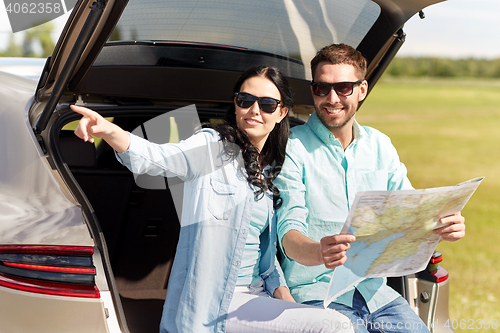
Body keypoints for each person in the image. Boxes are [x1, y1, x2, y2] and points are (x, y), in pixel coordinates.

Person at [71, 66, 354, 333]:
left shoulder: (269, 170)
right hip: (220, 303)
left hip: (260, 295)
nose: (254, 110)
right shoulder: (213, 146)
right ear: (235, 104)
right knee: (335, 326)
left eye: (266, 104)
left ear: (281, 113)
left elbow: (262, 255)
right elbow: (161, 159)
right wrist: (109, 131)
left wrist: (282, 293)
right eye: (246, 100)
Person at [274, 44, 466, 333]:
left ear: (362, 89)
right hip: (317, 298)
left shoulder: (380, 146)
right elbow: (288, 232)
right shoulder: (292, 148)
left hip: (378, 295)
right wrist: (318, 252)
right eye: (321, 88)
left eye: (343, 88)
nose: (332, 99)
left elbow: (412, 213)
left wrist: (442, 225)